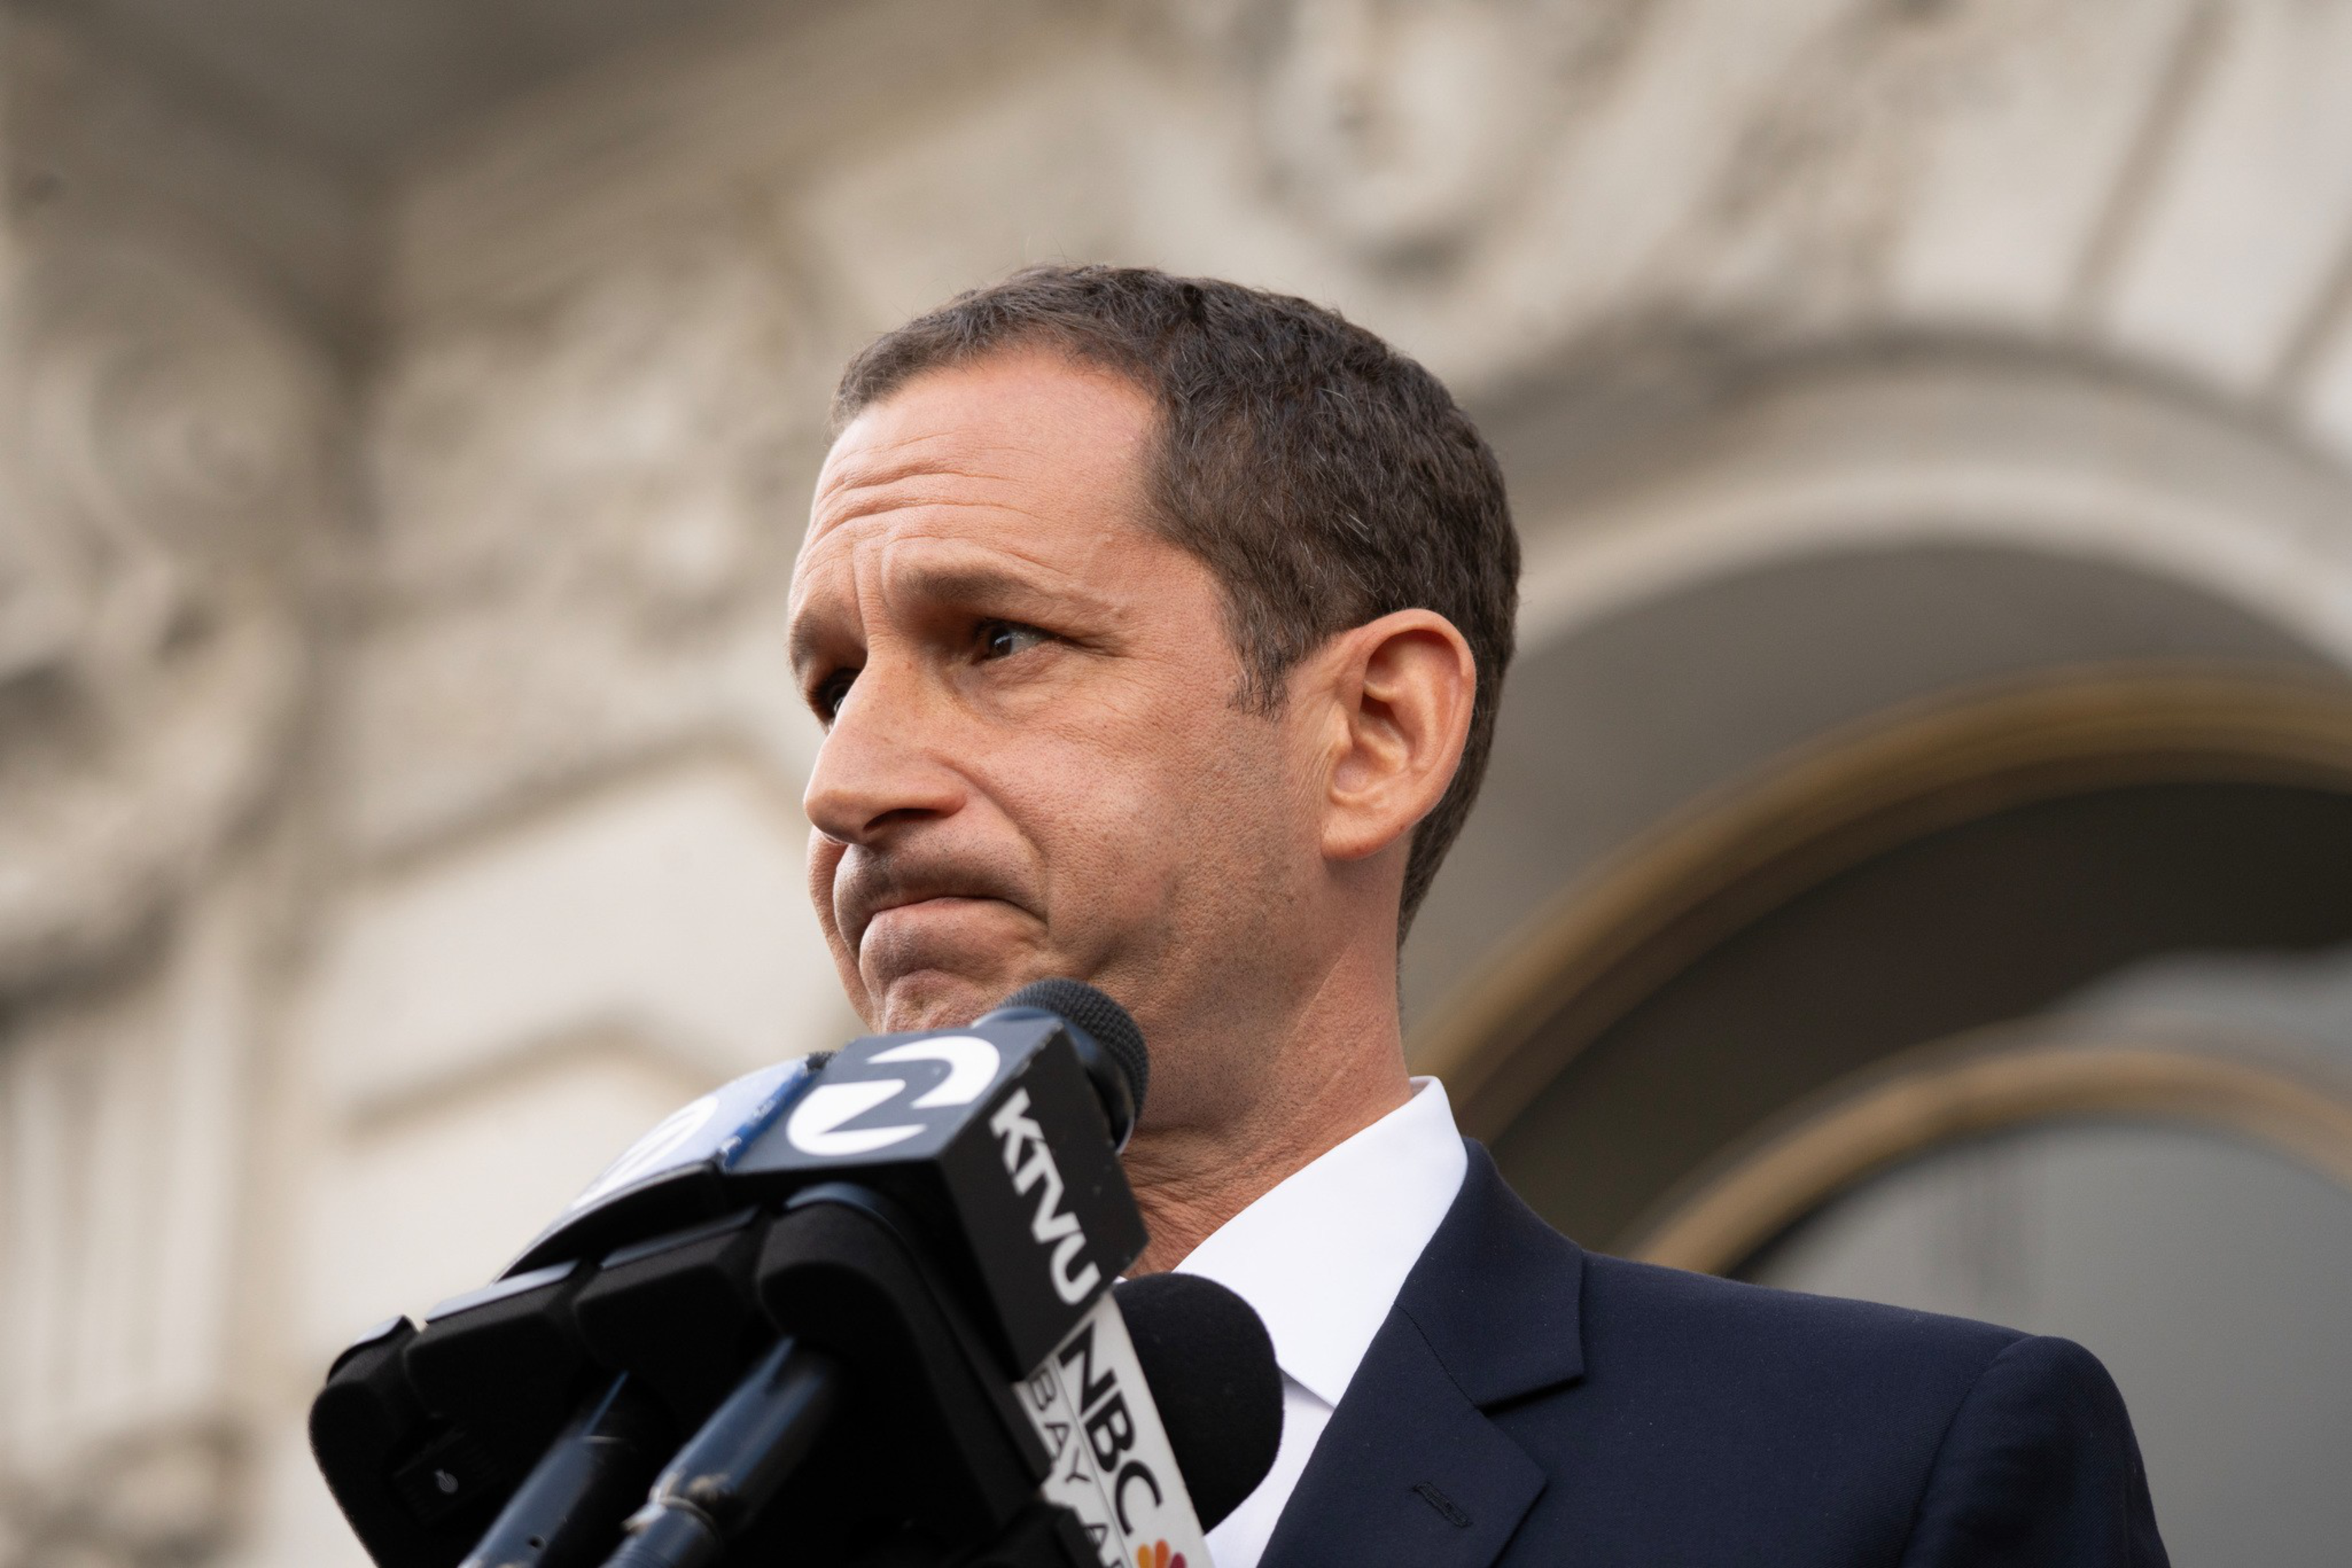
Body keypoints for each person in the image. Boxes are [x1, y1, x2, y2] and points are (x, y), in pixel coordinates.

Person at [785, 265, 2167, 1567]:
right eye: (834, 684)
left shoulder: (1883, 1468)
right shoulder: (700, 1495)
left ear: (1376, 731)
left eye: (996, 640)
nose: (847, 780)